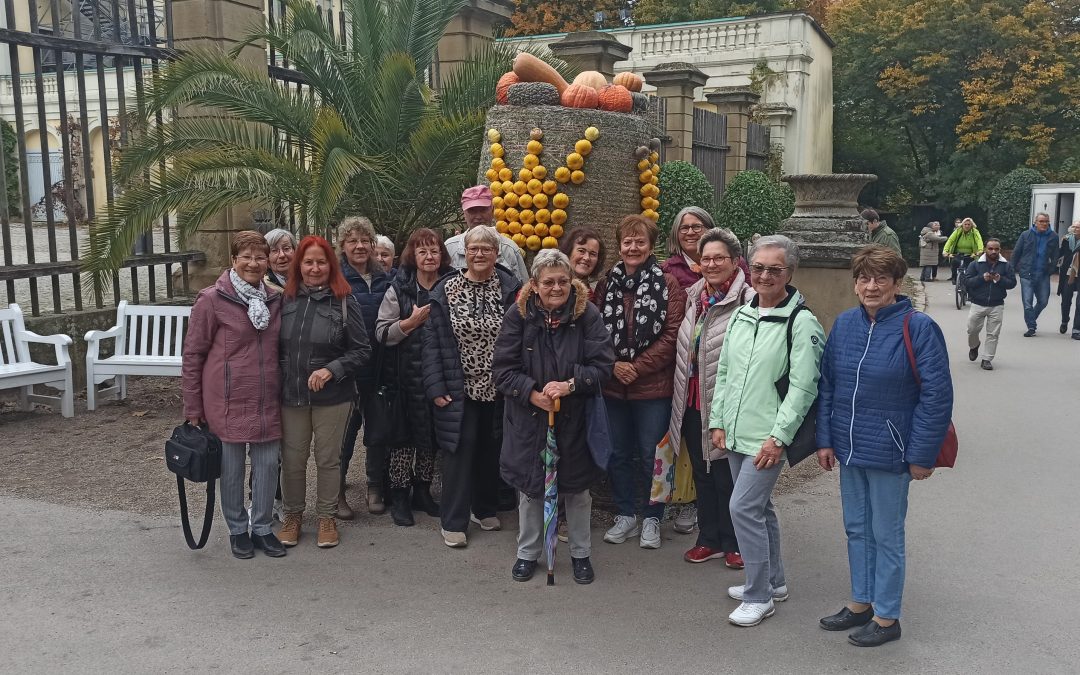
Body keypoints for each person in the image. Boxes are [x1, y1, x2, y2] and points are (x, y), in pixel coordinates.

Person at [816, 245, 953, 647]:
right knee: (857, 528)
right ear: (855, 284)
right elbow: (828, 387)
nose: (871, 286)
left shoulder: (918, 328)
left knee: (886, 534)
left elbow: (936, 396)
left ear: (896, 283)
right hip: (850, 447)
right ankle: (861, 603)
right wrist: (825, 439)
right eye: (863, 278)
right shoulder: (844, 325)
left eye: (880, 279)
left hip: (893, 452)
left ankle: (887, 616)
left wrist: (921, 455)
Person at [708, 234, 824, 627]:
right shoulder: (742, 314)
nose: (764, 275)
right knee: (759, 508)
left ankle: (759, 596)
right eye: (758, 267)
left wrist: (779, 438)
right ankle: (774, 582)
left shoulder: (801, 322)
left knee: (742, 508)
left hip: (766, 438)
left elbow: (804, 388)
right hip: (737, 432)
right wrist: (718, 421)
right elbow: (724, 373)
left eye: (774, 269)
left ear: (789, 273)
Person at [493, 249, 615, 584]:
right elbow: (502, 371)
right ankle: (527, 553)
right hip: (529, 422)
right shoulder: (518, 316)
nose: (557, 288)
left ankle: (580, 554)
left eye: (563, 280)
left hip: (575, 420)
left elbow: (603, 366)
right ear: (534, 284)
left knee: (577, 492)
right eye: (549, 282)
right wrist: (532, 393)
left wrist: (571, 384)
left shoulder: (586, 314)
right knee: (532, 490)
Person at [182, 231, 285, 559]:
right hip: (226, 399)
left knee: (268, 466)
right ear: (233, 261)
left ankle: (263, 527)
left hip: (266, 398)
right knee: (232, 468)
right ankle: (238, 529)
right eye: (246, 257)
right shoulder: (212, 300)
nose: (253, 263)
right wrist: (192, 405)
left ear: (267, 262)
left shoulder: (275, 299)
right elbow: (193, 354)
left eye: (260, 257)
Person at [423, 226, 522, 548]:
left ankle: (484, 508)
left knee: (491, 449)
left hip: (499, 387)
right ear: (464, 253)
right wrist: (435, 386)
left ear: (497, 253)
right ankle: (453, 521)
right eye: (473, 249)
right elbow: (432, 344)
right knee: (459, 450)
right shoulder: (445, 290)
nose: (479, 255)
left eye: (486, 249)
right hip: (458, 386)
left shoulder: (511, 288)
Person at [596, 215, 686, 550]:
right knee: (618, 452)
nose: (633, 248)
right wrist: (615, 365)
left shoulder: (668, 283)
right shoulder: (607, 284)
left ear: (651, 245)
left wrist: (637, 367)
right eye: (627, 242)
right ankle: (625, 514)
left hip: (653, 387)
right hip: (613, 386)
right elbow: (594, 332)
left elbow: (673, 333)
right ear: (619, 245)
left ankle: (652, 516)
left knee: (653, 454)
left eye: (640, 242)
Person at [277, 235, 371, 549]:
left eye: (321, 262)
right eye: (308, 262)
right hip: (292, 394)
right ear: (298, 266)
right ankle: (292, 515)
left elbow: (361, 350)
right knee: (292, 460)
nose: (315, 268)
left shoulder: (344, 300)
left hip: (333, 397)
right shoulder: (284, 300)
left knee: (328, 460)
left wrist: (332, 369)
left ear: (330, 265)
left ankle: (326, 517)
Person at [668, 228, 752, 569]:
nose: (712, 264)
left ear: (734, 262)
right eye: (706, 259)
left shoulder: (747, 300)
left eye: (720, 258)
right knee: (702, 473)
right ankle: (709, 538)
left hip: (724, 403)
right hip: (690, 399)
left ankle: (734, 542)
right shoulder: (694, 297)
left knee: (725, 475)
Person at [375, 229, 452, 526]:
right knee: (403, 439)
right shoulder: (399, 288)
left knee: (429, 438)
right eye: (423, 252)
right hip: (404, 378)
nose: (429, 256)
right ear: (413, 256)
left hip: (438, 377)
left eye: (434, 250)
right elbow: (382, 333)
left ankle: (422, 492)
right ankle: (399, 498)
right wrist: (411, 322)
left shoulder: (450, 286)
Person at [336, 217, 389, 519]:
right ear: (342, 246)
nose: (359, 246)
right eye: (352, 240)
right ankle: (338, 492)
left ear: (372, 244)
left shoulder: (385, 278)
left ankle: (374, 487)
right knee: (344, 435)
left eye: (364, 240)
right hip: (348, 370)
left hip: (380, 366)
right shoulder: (337, 279)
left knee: (377, 432)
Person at [445, 185, 529, 283]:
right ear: (464, 213)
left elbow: (523, 289)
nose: (478, 216)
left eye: (483, 210)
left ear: (492, 210)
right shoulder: (450, 248)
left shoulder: (508, 249)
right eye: (472, 211)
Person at [965, 238, 1016, 371]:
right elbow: (967, 282)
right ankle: (974, 345)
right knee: (972, 330)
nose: (994, 251)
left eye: (996, 249)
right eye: (991, 249)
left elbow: (1012, 283)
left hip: (997, 304)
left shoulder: (1006, 265)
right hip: (978, 303)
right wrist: (982, 278)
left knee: (993, 334)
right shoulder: (976, 264)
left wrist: (1000, 279)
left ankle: (987, 359)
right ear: (985, 249)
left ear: (1000, 250)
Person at [1011, 212, 1060, 337]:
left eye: (1046, 221)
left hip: (1043, 274)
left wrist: (1051, 269)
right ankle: (1031, 326)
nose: (1044, 224)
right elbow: (1017, 252)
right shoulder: (1026, 235)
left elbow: (1055, 255)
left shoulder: (1053, 236)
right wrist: (1012, 268)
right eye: (1041, 221)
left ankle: (1031, 318)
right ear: (1035, 222)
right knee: (1027, 303)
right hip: (1027, 273)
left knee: (1043, 301)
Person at [559, 226, 607, 301]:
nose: (586, 258)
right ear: (569, 252)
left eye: (593, 254)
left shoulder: (596, 296)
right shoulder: (554, 288)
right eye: (581, 251)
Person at [1055, 221, 1080, 338]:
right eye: (1074, 227)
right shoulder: (1066, 240)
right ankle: (1065, 320)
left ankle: (1076, 329)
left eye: (1078, 227)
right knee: (1066, 300)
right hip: (1068, 274)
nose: (1076, 229)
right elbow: (1060, 254)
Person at [942, 217, 984, 283]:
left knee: (969, 268)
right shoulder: (958, 231)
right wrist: (945, 251)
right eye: (965, 224)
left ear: (971, 225)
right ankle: (954, 278)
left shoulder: (975, 232)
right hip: (958, 253)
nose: (967, 226)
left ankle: (968, 281)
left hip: (970, 254)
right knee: (954, 263)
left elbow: (979, 240)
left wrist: (980, 250)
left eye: (969, 224)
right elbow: (950, 240)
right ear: (962, 224)